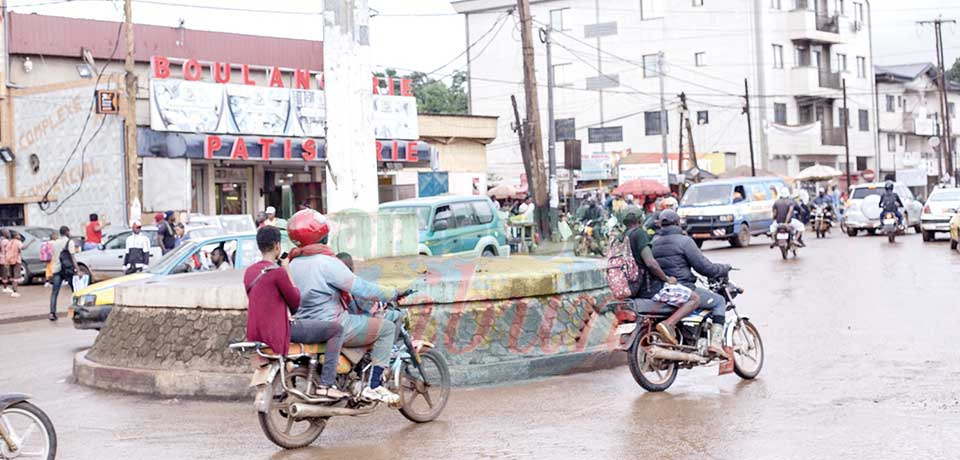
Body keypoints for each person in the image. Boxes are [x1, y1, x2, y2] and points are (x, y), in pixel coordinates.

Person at [286, 209, 407, 404]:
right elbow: (361, 288)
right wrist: (392, 292)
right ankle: (374, 386)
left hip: (305, 325)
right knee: (386, 329)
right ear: (321, 235)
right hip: (335, 323)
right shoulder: (326, 263)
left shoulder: (292, 263)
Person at [245, 226, 348, 400]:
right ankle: (327, 384)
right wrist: (286, 270)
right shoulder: (277, 272)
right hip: (281, 331)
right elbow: (295, 302)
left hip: (257, 333)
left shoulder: (249, 272)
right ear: (277, 246)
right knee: (336, 330)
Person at [651, 210, 732, 356]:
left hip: (663, 290)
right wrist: (723, 268)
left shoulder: (654, 243)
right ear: (678, 223)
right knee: (719, 301)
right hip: (684, 288)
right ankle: (715, 343)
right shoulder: (684, 241)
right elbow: (704, 267)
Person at [622, 208, 700, 346]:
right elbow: (651, 263)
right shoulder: (639, 233)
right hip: (649, 289)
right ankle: (668, 324)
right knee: (694, 298)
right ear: (640, 220)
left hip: (631, 289)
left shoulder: (621, 237)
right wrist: (667, 279)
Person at [49, 226, 78, 321]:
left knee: (54, 292)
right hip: (68, 269)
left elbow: (54, 255)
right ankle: (74, 311)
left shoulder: (55, 243)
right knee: (74, 291)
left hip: (57, 269)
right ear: (67, 232)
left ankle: (52, 313)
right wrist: (78, 269)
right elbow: (73, 257)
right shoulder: (70, 242)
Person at [4, 231, 22, 298]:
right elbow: (22, 248)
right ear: (16, 236)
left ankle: (13, 290)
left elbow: (6, 250)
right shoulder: (18, 242)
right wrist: (30, 243)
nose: (19, 236)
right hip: (17, 260)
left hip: (10, 260)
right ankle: (15, 291)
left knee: (12, 276)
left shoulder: (9, 242)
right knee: (16, 277)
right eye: (18, 235)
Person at [0, 229, 9, 293]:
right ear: (4, 234)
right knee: (4, 274)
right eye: (7, 232)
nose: (8, 233)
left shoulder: (0, 240)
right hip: (4, 259)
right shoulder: (6, 241)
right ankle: (5, 288)